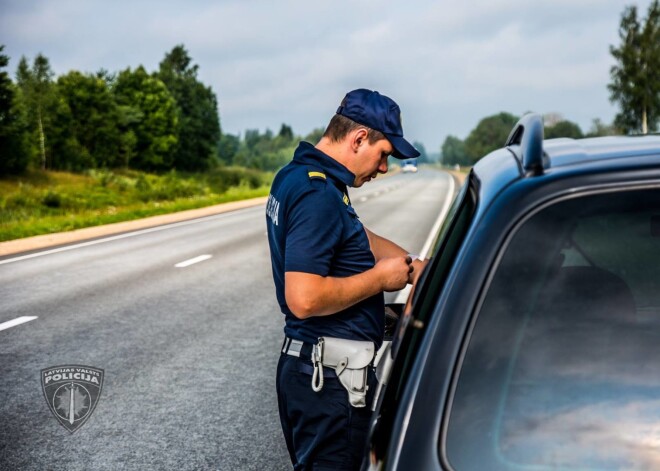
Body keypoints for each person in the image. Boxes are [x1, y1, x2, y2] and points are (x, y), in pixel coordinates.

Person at [266, 88, 426, 470]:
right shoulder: (316, 192)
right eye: (384, 153)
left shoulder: (301, 176)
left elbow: (360, 239)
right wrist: (380, 280)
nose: (384, 167)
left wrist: (413, 265)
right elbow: (303, 298)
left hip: (314, 371)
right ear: (359, 138)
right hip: (330, 383)